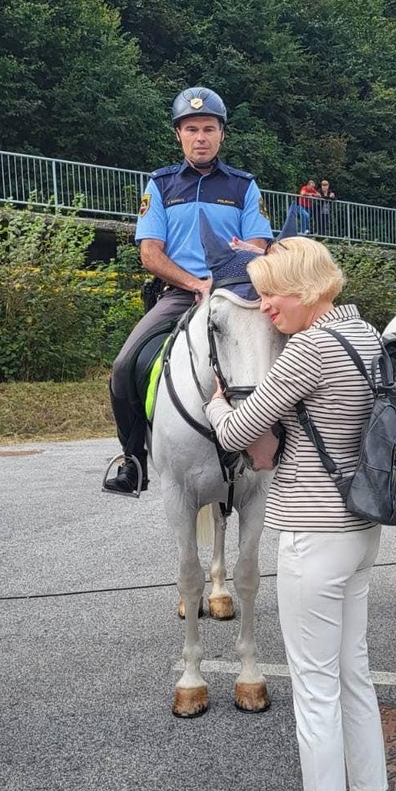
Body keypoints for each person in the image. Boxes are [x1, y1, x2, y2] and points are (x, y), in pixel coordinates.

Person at [204, 237, 390, 791]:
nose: (265, 306)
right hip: (360, 527)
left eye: (271, 293)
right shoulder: (363, 334)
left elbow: (235, 433)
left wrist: (217, 402)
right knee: (353, 676)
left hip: (314, 531)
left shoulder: (309, 349)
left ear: (306, 290)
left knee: (315, 693)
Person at [103, 86, 273, 495]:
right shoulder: (160, 185)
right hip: (181, 294)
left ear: (221, 135)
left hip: (236, 296)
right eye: (192, 129)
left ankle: (289, 448)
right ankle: (133, 460)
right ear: (179, 135)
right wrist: (195, 283)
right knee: (125, 366)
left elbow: (260, 245)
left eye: (209, 129)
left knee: (279, 355)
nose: (201, 137)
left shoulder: (243, 186)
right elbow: (150, 252)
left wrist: (230, 273)